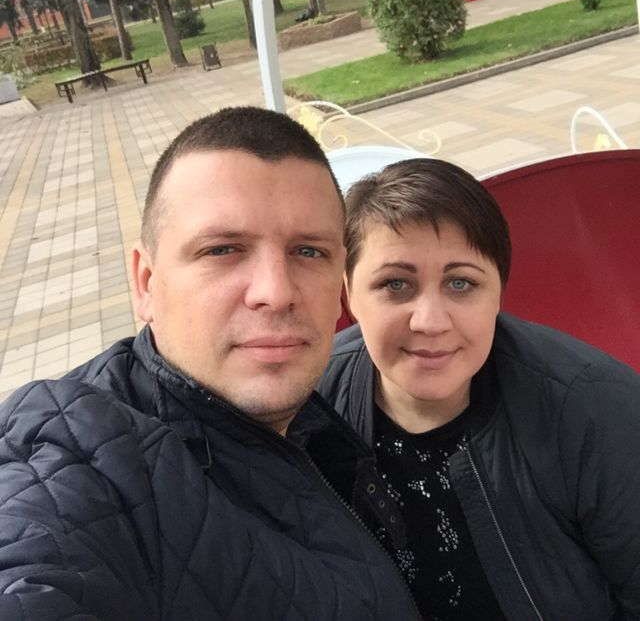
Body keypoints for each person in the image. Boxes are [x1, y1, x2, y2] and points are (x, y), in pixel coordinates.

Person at [0, 107, 421, 621]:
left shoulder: (327, 414)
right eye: (223, 249)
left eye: (309, 252)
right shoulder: (78, 459)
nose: (276, 291)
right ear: (146, 282)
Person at [318, 157, 640, 621]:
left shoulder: (595, 411)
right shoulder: (309, 401)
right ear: (348, 291)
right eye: (395, 284)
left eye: (460, 283)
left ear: (499, 293)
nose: (430, 321)